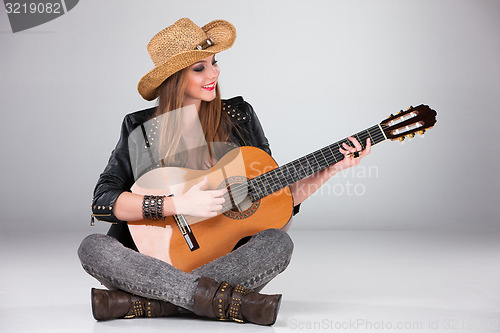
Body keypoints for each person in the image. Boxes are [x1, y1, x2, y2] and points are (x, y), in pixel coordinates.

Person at [77, 18, 371, 326]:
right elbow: (104, 201)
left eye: (214, 63)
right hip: (150, 260)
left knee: (277, 243)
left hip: (224, 261)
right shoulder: (140, 127)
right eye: (200, 67)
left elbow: (274, 197)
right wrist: (177, 205)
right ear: (175, 77)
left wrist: (330, 169)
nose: (214, 72)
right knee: (93, 248)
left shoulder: (239, 116)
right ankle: (221, 301)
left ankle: (152, 302)